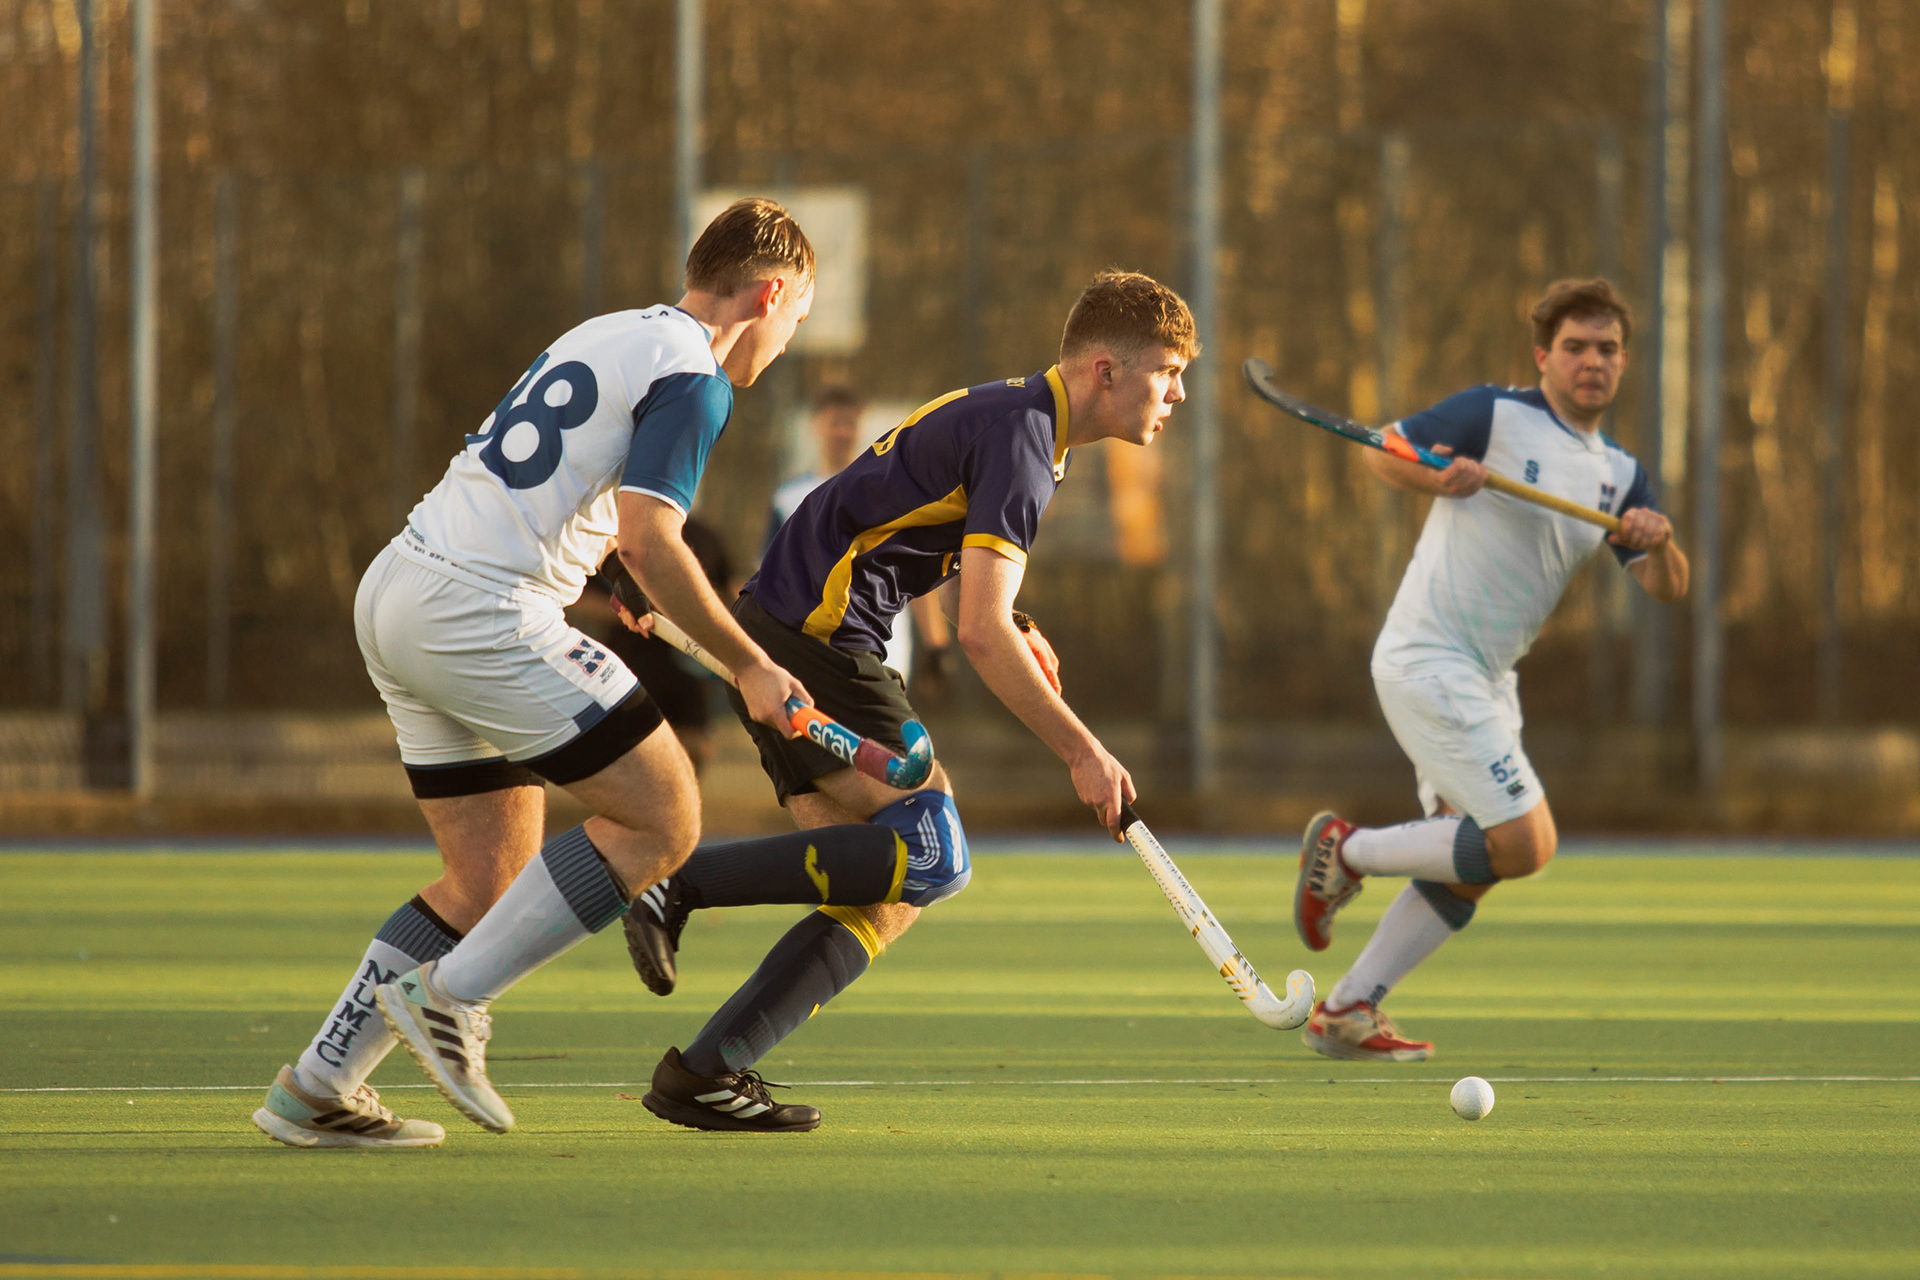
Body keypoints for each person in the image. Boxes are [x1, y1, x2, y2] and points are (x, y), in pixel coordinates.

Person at [252, 198, 937, 1148]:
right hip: (483, 611)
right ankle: (452, 996)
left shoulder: (611, 332)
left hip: (401, 586)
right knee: (665, 815)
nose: (788, 342)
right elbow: (655, 537)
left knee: (485, 878)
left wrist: (609, 570)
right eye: (798, 318)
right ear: (770, 294)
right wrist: (752, 665)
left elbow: (578, 501)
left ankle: (319, 1085)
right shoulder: (697, 378)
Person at [618, 269, 1195, 1132]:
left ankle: (704, 1074)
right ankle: (678, 884)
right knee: (935, 851)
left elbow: (927, 542)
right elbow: (979, 638)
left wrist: (1016, 618)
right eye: (1167, 372)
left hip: (793, 628)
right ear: (1106, 371)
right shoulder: (1026, 438)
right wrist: (1084, 750)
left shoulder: (1024, 422)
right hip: (819, 638)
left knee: (890, 894)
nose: (1177, 394)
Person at [1293, 278, 1689, 1063]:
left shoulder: (1619, 475)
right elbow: (1383, 452)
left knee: (1476, 860)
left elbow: (1666, 587)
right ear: (1543, 356)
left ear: (1624, 362)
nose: (1592, 361)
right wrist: (1439, 477)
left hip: (1490, 680)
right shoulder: (1493, 414)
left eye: (1607, 349)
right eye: (1575, 347)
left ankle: (1346, 1011)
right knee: (1526, 843)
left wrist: (1662, 540)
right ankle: (1348, 849)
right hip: (1428, 658)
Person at [767, 385, 955, 686]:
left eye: (850, 423)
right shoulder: (789, 498)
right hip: (811, 648)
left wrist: (936, 644)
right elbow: (772, 577)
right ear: (816, 426)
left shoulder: (887, 490)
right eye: (835, 423)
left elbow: (913, 569)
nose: (843, 432)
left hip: (882, 647)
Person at [569, 517, 734, 776]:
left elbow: (730, 588)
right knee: (633, 751)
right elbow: (579, 598)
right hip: (630, 663)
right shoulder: (613, 533)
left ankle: (683, 797)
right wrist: (631, 610)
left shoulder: (703, 534)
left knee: (695, 747)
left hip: (689, 667)